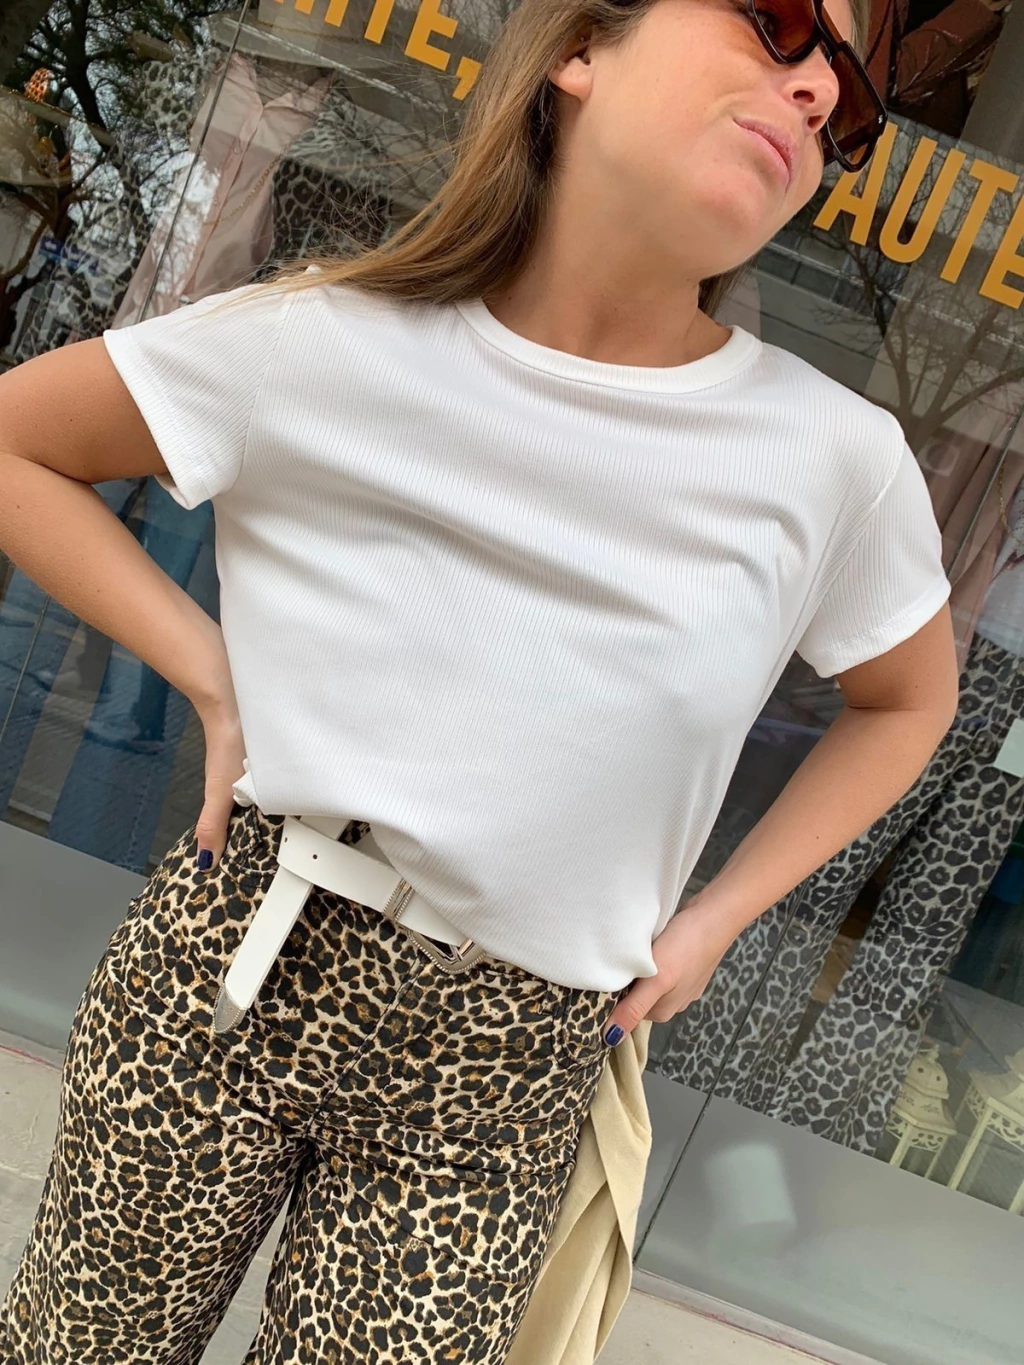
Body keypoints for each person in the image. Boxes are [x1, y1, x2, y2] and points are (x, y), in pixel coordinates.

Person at [0, 0, 959, 1359]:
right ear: (579, 50)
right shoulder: (326, 336)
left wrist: (717, 920)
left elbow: (909, 700)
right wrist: (210, 676)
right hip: (236, 954)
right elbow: (17, 446)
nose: (815, 93)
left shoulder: (831, 462)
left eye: (851, 102)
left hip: (502, 1066)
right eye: (781, 21)